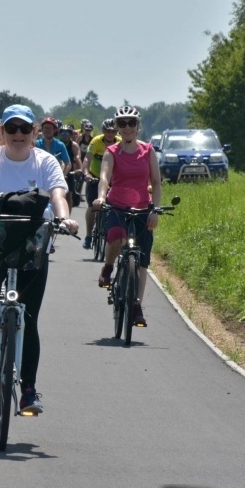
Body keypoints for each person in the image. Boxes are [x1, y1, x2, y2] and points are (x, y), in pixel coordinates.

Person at [0, 105, 79, 414]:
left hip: (32, 241)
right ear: (2, 133)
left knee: (29, 318)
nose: (18, 135)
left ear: (35, 132)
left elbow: (58, 195)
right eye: (12, 129)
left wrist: (64, 219)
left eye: (25, 129)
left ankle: (29, 390)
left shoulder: (46, 162)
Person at [92, 106, 162, 327]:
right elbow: (104, 178)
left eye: (132, 123)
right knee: (116, 236)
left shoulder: (148, 151)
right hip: (117, 206)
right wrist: (101, 197)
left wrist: (155, 210)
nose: (127, 127)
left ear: (138, 126)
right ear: (118, 127)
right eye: (122, 123)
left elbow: (157, 183)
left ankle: (137, 305)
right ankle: (109, 267)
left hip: (142, 208)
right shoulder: (112, 152)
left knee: (141, 261)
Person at [80, 118, 121, 249]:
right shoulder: (96, 141)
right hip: (95, 176)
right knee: (93, 206)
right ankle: (88, 236)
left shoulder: (120, 143)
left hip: (113, 179)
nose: (110, 134)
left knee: (116, 208)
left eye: (113, 131)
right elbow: (87, 159)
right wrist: (86, 174)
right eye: (107, 131)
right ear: (103, 131)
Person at [35, 116, 72, 210]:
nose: (47, 130)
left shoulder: (60, 145)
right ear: (42, 130)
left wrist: (62, 176)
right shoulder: (36, 144)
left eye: (50, 128)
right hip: (38, 177)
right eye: (45, 128)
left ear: (55, 130)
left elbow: (68, 163)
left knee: (57, 200)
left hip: (54, 178)